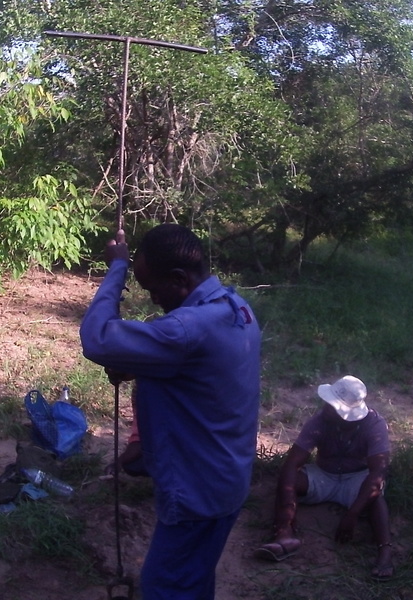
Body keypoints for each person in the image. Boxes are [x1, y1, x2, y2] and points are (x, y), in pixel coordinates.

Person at [80, 224, 261, 600]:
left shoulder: (185, 329)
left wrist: (117, 268)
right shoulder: (234, 307)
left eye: (153, 289)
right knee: (194, 579)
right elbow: (205, 370)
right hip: (225, 477)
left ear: (179, 279)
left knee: (165, 587)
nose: (153, 300)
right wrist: (143, 366)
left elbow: (96, 338)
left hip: (197, 490)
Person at [255, 375, 394, 581]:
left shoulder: (374, 425)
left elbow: (377, 473)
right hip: (323, 474)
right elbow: (292, 463)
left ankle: (385, 552)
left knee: (376, 497)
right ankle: (283, 534)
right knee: (290, 479)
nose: (326, 408)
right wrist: (286, 515)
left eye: (333, 406)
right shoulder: (319, 421)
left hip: (356, 477)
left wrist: (353, 514)